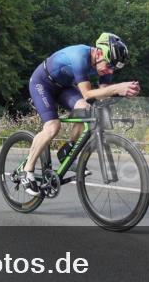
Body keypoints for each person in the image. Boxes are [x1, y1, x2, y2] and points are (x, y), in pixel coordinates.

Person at [21, 33, 139, 195]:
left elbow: (102, 95)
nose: (109, 71)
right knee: (53, 127)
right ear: (99, 53)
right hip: (42, 83)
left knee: (85, 109)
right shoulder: (79, 56)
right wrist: (118, 87)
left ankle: (67, 151)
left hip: (64, 87)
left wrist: (124, 92)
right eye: (108, 66)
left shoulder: (105, 65)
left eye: (113, 68)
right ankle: (27, 171)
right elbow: (88, 93)